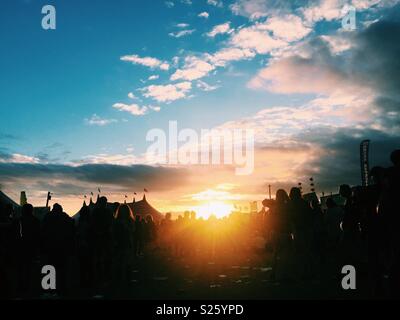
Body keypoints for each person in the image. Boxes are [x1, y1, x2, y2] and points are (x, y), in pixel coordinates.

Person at [41, 203, 74, 296]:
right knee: (62, 269)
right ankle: (62, 289)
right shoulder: (65, 217)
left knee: (49, 268)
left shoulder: (48, 217)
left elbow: (43, 230)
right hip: (62, 247)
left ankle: (49, 289)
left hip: (50, 247)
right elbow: (71, 231)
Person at [289, 187, 313, 279]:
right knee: (306, 250)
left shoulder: (291, 204)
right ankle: (308, 270)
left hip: (297, 230)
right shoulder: (304, 203)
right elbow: (310, 216)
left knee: (298, 251)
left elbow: (290, 218)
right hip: (306, 229)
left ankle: (300, 271)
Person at [90, 196, 113, 292]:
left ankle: (99, 276)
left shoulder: (95, 212)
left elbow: (92, 224)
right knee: (105, 257)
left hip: (99, 237)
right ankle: (104, 277)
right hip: (105, 237)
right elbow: (111, 224)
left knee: (99, 258)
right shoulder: (108, 212)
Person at [18, 204, 41, 297]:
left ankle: (21, 287)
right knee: (28, 268)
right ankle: (27, 286)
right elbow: (38, 235)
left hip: (21, 247)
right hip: (31, 247)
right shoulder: (36, 221)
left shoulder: (19, 220)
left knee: (20, 268)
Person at [113, 204, 135, 287]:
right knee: (119, 261)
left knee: (127, 262)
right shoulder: (117, 221)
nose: (123, 212)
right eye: (121, 210)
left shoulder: (129, 220)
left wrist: (126, 226)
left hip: (126, 242)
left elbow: (132, 230)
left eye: (124, 210)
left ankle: (127, 279)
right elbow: (113, 231)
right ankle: (119, 279)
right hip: (118, 242)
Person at [76, 205, 93, 294]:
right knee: (89, 265)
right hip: (88, 245)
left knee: (82, 265)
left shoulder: (79, 221)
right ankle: (89, 282)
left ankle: (83, 282)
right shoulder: (91, 222)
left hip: (81, 245)